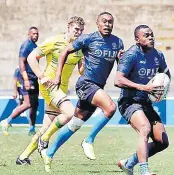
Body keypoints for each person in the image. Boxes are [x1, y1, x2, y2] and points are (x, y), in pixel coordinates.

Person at [39, 12, 124, 173]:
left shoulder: (118, 42)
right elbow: (64, 51)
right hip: (86, 84)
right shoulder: (88, 39)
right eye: (104, 21)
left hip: (97, 87)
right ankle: (88, 140)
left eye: (110, 22)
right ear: (98, 23)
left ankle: (48, 153)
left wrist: (123, 59)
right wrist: (57, 76)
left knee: (74, 124)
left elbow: (120, 68)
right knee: (111, 107)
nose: (107, 24)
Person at [16, 16, 85, 165]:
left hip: (62, 88)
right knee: (69, 112)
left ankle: (23, 157)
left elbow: (81, 71)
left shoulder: (79, 47)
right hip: (49, 85)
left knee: (46, 126)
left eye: (81, 30)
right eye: (76, 29)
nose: (78, 32)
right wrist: (41, 76)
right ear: (69, 28)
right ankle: (45, 139)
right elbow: (31, 57)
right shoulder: (55, 40)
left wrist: (86, 60)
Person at [115, 25, 170, 175]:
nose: (151, 37)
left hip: (146, 103)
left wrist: (162, 91)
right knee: (144, 128)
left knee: (162, 142)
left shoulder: (158, 55)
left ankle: (128, 163)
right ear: (137, 39)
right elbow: (118, 80)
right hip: (129, 102)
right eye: (146, 35)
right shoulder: (131, 54)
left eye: (152, 34)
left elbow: (166, 76)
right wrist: (144, 88)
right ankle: (144, 171)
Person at [0, 27, 39, 136]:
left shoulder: (35, 47)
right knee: (27, 104)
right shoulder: (26, 45)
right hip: (27, 78)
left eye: (37, 34)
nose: (35, 36)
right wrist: (26, 79)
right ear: (29, 34)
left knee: (35, 104)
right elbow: (21, 63)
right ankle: (7, 121)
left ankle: (32, 128)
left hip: (34, 78)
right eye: (33, 34)